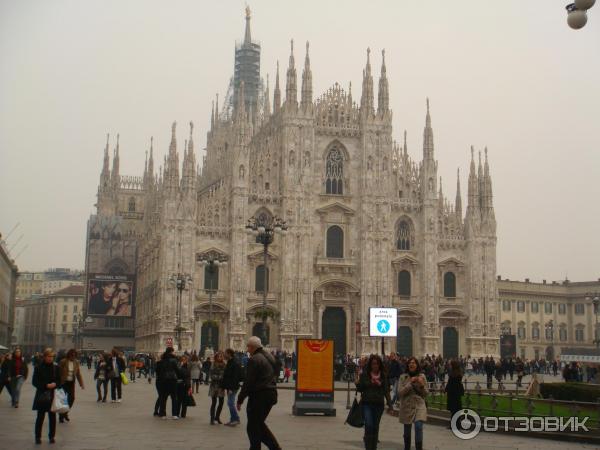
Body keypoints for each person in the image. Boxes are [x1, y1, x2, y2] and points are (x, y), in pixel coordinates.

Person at [236, 336, 281, 450]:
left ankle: (273, 448)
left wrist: (240, 399)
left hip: (259, 396)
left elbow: (248, 381)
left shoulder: (254, 359)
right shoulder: (270, 356)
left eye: (248, 347)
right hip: (271, 394)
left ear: (252, 347)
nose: (247, 350)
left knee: (253, 426)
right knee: (257, 424)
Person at [356, 354, 393, 450]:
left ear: (379, 365)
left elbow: (386, 391)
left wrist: (390, 405)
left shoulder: (383, 376)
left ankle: (373, 447)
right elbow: (360, 388)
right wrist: (358, 382)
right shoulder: (365, 375)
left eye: (377, 364)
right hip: (367, 403)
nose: (375, 366)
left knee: (375, 426)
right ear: (370, 365)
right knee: (369, 424)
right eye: (373, 364)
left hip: (378, 404)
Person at [397, 357, 428, 450]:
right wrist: (410, 383)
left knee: (418, 427)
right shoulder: (403, 377)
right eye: (410, 363)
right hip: (407, 406)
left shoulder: (422, 377)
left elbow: (426, 393)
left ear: (417, 365)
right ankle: (407, 448)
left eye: (414, 363)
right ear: (407, 365)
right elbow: (400, 393)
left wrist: (421, 384)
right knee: (407, 431)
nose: (412, 364)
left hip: (419, 405)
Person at [32, 348, 60, 444]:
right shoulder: (38, 367)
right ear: (44, 357)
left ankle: (52, 436)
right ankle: (38, 437)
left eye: (52, 356)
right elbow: (34, 382)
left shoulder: (56, 367)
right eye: (49, 356)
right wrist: (45, 385)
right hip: (42, 395)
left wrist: (55, 384)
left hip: (52, 395)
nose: (50, 358)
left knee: (52, 417)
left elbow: (60, 380)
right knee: (40, 417)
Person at [58, 349, 84, 422]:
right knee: (63, 400)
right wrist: (57, 382)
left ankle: (65, 412)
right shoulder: (63, 361)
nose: (73, 357)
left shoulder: (76, 362)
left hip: (71, 383)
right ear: (69, 355)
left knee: (72, 398)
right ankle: (61, 415)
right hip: (63, 382)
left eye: (74, 355)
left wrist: (81, 384)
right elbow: (58, 372)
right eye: (72, 355)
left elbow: (78, 374)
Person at [222, 348, 242, 426]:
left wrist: (230, 388)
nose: (224, 354)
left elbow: (235, 377)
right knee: (230, 403)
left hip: (233, 387)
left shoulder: (235, 363)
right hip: (230, 386)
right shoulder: (230, 362)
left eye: (225, 353)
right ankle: (232, 419)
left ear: (229, 354)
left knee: (230, 403)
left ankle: (236, 419)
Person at [158, 347, 180, 419]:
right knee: (174, 397)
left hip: (164, 380)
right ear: (171, 352)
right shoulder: (174, 360)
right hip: (172, 380)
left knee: (163, 398)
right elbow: (177, 370)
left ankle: (163, 414)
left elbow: (159, 371)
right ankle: (174, 414)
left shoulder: (162, 360)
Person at [444, 360, 464, 427]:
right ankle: (458, 424)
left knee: (453, 410)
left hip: (452, 394)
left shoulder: (453, 374)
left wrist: (445, 390)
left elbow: (450, 383)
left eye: (450, 365)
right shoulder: (459, 373)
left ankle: (453, 425)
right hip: (457, 394)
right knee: (457, 410)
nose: (449, 366)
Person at [208, 351, 226, 425]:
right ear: (216, 357)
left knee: (221, 402)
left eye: (221, 356)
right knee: (214, 402)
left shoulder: (225, 364)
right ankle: (212, 418)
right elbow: (211, 375)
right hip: (214, 385)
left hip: (221, 386)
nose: (220, 357)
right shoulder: (213, 364)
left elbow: (226, 374)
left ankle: (217, 417)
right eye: (219, 356)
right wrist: (219, 377)